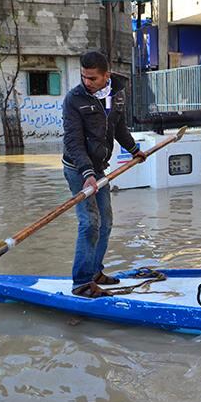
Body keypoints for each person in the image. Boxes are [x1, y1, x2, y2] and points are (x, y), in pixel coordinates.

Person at [62, 51, 147, 298]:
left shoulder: (115, 95)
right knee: (89, 223)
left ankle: (94, 272)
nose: (86, 82)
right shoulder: (74, 100)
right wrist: (87, 173)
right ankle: (81, 283)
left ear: (106, 76)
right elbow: (73, 141)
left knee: (106, 222)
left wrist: (133, 150)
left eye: (92, 78)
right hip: (78, 168)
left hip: (99, 168)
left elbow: (117, 125)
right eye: (83, 77)